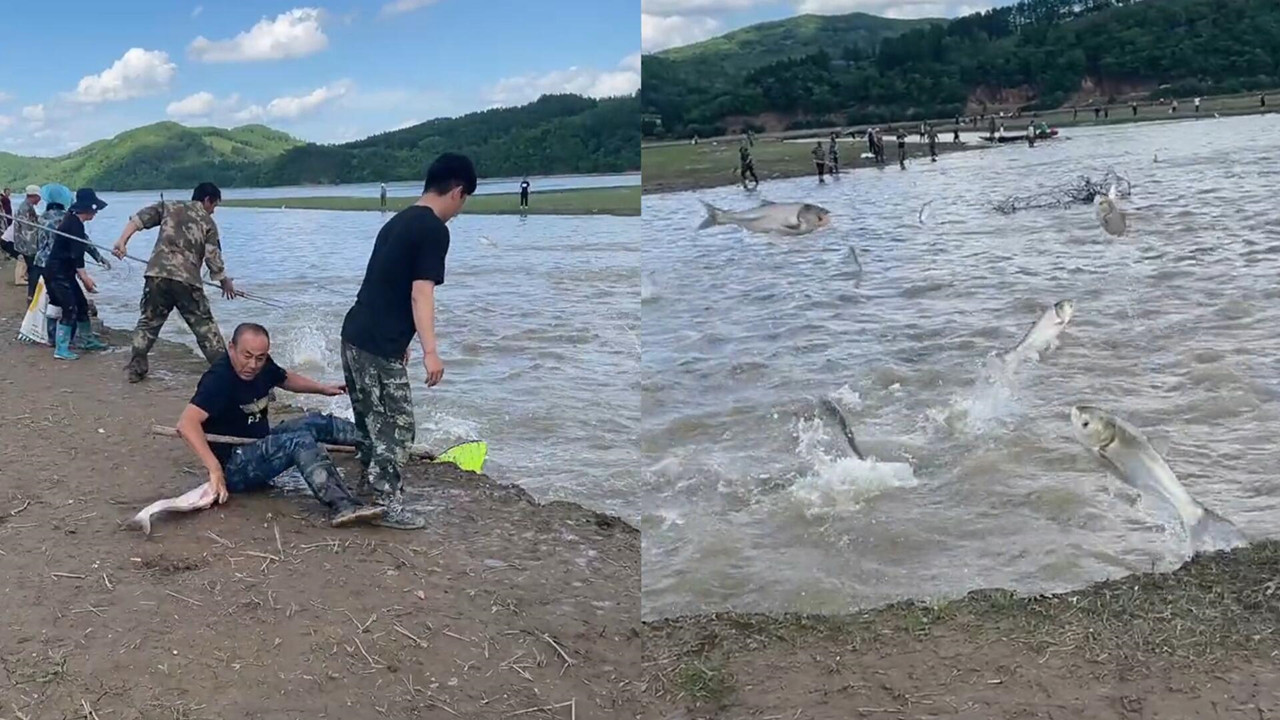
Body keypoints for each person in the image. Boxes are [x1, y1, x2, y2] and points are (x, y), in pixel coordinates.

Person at [339, 152, 476, 530]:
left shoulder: (397, 222)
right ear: (458, 192)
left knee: (370, 423)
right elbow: (421, 293)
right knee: (398, 428)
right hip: (376, 343)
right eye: (463, 203)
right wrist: (431, 351)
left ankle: (366, 494)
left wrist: (403, 338)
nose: (458, 212)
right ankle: (384, 504)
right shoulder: (434, 229)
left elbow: (383, 283)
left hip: (354, 335)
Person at [175, 323, 385, 527]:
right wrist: (215, 470)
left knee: (313, 422)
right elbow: (186, 423)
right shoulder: (218, 380)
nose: (252, 365)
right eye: (246, 356)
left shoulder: (262, 365)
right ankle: (343, 505)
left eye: (260, 358)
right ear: (232, 348)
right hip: (235, 465)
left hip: (260, 443)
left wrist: (322, 389)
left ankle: (379, 444)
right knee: (299, 442)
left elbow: (284, 378)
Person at [112, 182, 236, 383]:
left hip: (156, 275)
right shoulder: (208, 223)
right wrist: (224, 282)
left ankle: (136, 367)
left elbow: (138, 220)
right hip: (187, 280)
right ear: (207, 200)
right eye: (214, 206)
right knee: (205, 329)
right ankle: (228, 375)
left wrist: (122, 242)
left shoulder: (168, 206)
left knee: (148, 322)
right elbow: (213, 258)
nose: (213, 212)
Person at [44, 188, 109, 360]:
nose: (95, 213)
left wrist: (97, 260)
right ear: (88, 209)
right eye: (94, 210)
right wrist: (85, 278)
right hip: (57, 272)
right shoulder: (73, 225)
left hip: (65, 272)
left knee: (81, 305)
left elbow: (81, 249)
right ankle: (61, 348)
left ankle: (87, 340)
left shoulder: (74, 222)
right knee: (69, 308)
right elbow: (76, 255)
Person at [13, 185, 41, 294]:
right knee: (34, 269)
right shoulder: (25, 208)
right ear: (34, 196)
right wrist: (32, 248)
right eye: (39, 197)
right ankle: (32, 294)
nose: (40, 199)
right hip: (27, 245)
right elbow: (26, 229)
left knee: (33, 268)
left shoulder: (28, 206)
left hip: (26, 244)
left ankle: (32, 293)